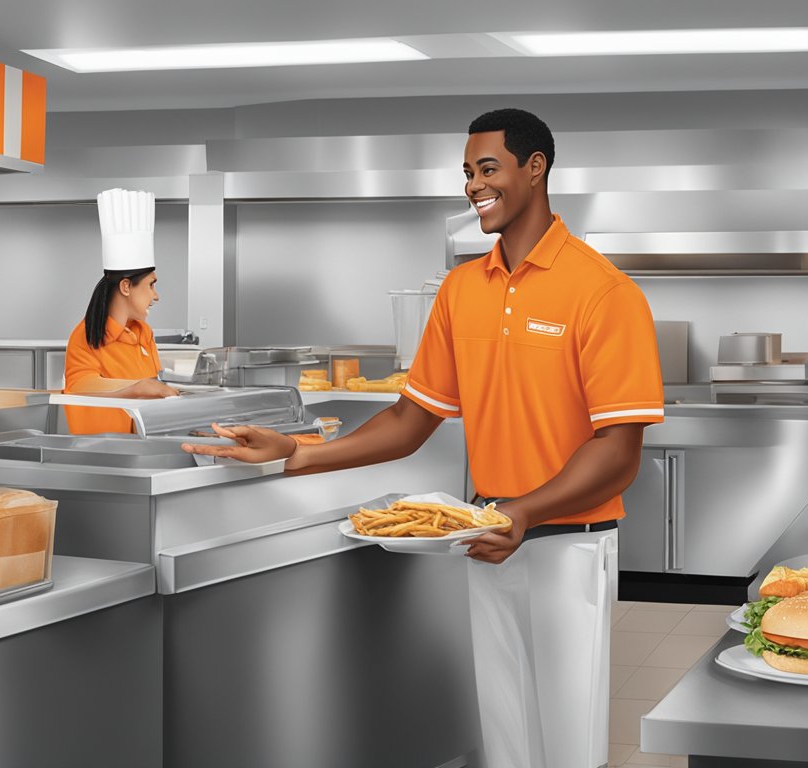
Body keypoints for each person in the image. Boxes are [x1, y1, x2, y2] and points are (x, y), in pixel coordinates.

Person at [183, 109, 664, 768]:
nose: (473, 185)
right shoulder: (462, 291)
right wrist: (297, 454)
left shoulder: (603, 293)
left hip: (567, 551)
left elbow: (618, 453)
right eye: (467, 173)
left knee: (568, 749)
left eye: (487, 168)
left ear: (535, 168)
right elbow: (410, 422)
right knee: (505, 746)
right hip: (486, 539)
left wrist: (522, 512)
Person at [63, 187, 178, 434]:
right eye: (151, 285)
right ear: (126, 286)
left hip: (143, 446)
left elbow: (155, 392)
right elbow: (81, 385)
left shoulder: (144, 334)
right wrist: (138, 387)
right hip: (103, 451)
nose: (155, 295)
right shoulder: (86, 335)